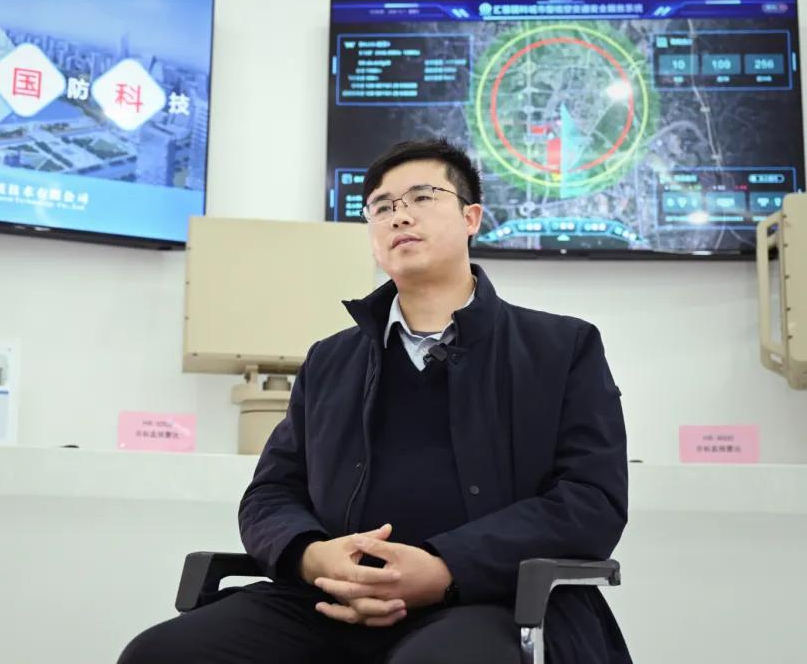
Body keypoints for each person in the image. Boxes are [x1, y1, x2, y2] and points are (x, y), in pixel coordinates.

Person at [119, 139, 631, 663]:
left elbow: (592, 501)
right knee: (159, 654)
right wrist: (313, 557)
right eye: (382, 207)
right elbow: (270, 493)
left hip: (489, 598)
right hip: (327, 600)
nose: (399, 215)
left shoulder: (562, 348)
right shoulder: (330, 360)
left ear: (471, 217)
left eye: (422, 197)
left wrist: (444, 567)